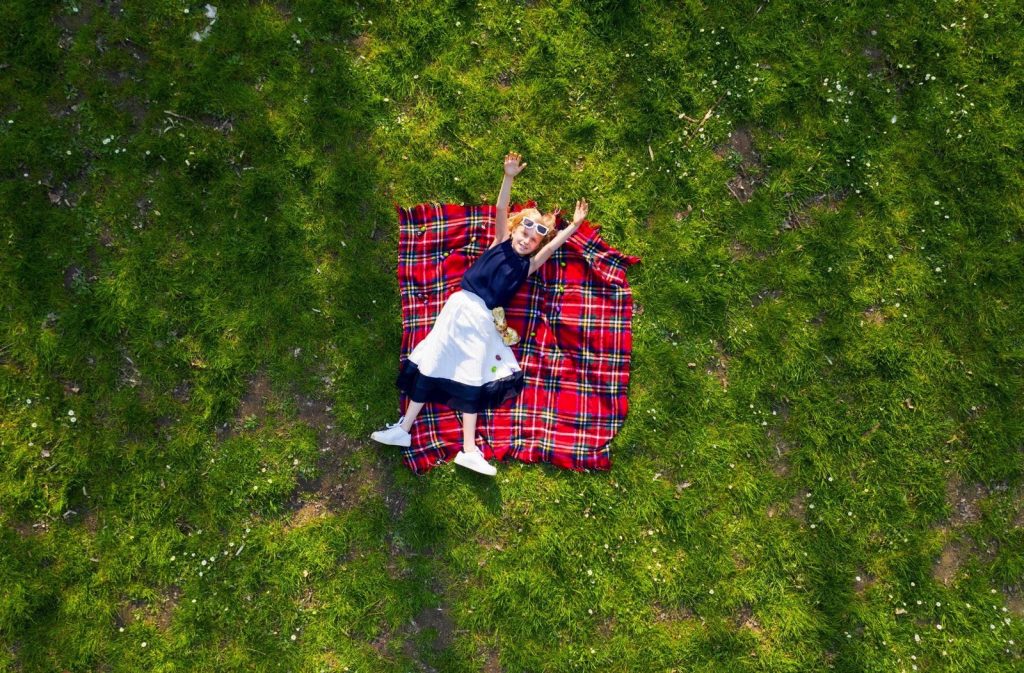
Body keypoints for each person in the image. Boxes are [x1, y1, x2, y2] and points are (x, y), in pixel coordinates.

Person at [371, 151, 589, 476]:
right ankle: (404, 428)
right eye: (524, 233)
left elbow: (552, 247)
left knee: (471, 375)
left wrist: (573, 225)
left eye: (533, 238)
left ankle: (469, 449)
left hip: (483, 319)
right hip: (458, 307)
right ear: (515, 230)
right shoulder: (500, 241)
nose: (528, 240)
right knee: (432, 361)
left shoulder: (528, 266)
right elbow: (502, 208)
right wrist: (509, 176)